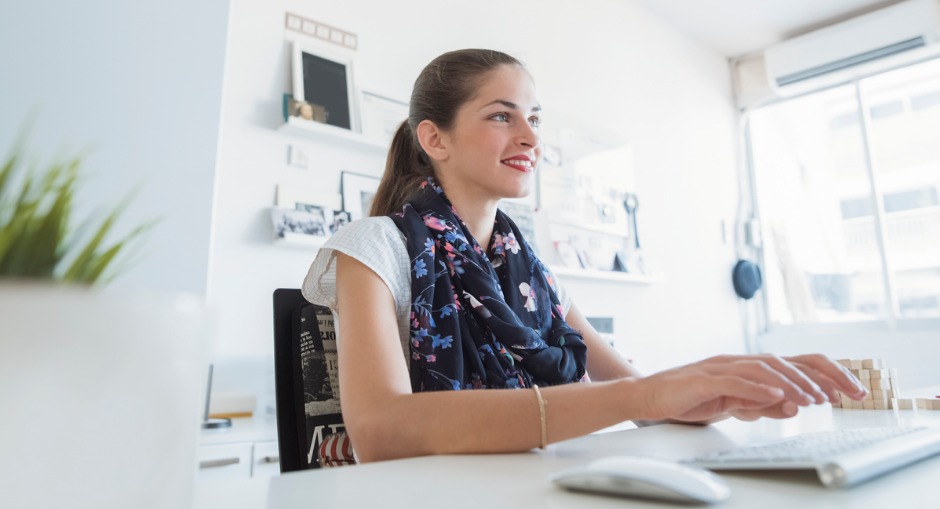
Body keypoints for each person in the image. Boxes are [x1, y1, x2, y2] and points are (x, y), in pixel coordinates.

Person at [302, 49, 868, 464]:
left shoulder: (533, 275)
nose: (530, 137)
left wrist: (722, 387)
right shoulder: (373, 246)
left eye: (535, 119)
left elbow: (639, 395)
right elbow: (380, 429)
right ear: (435, 139)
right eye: (502, 116)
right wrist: (636, 394)